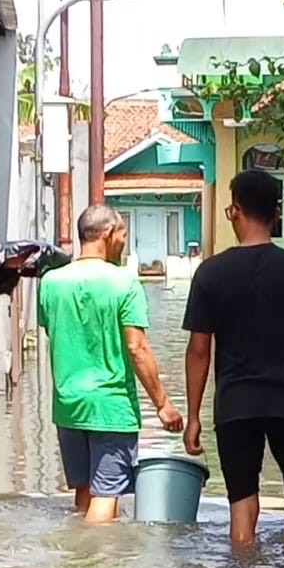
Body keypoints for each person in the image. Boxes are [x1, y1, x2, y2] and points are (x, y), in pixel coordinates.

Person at [182, 170, 284, 551]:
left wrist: (193, 417)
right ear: (276, 214)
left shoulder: (210, 273)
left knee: (242, 505)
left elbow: (199, 351)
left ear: (234, 211)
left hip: (234, 406)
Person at [40, 204, 183, 522]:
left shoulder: (50, 282)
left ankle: (76, 566)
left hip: (68, 406)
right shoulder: (124, 282)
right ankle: (96, 564)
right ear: (107, 234)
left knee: (83, 491)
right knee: (107, 494)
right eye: (122, 235)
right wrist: (162, 404)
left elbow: (56, 333)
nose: (124, 243)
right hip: (110, 408)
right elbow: (137, 348)